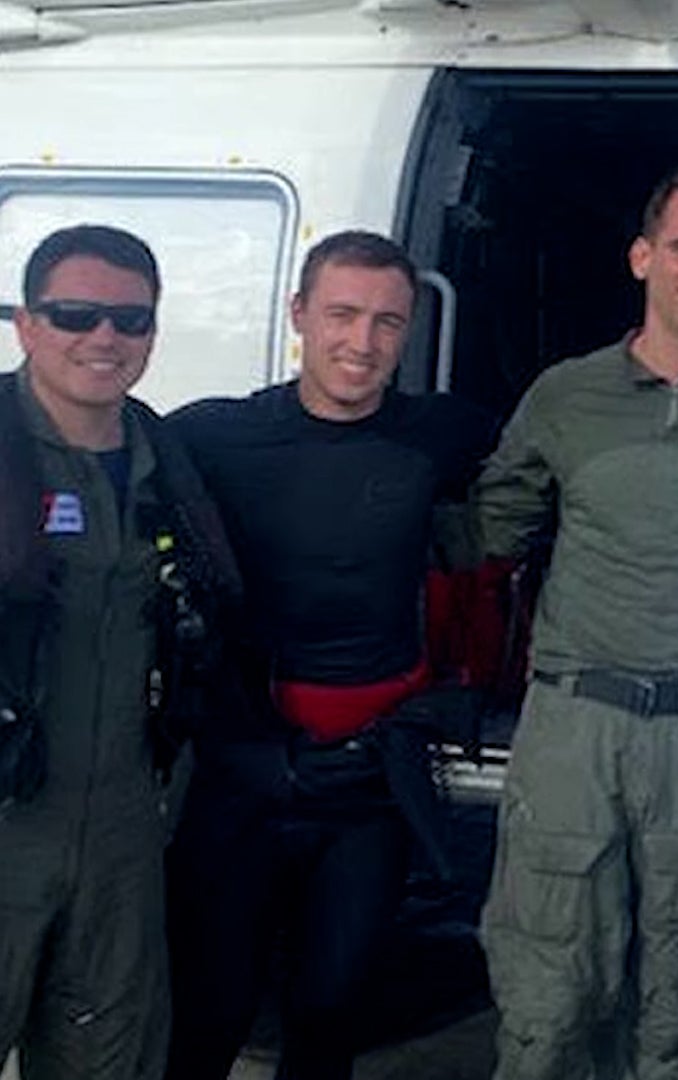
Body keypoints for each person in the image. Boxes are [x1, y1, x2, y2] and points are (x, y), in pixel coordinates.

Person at [474, 164, 678, 1080]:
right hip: (576, 723)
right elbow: (493, 528)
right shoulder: (564, 396)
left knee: (676, 988)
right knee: (545, 989)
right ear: (642, 258)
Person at [164, 230, 495, 1080]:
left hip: (368, 785)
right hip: (244, 771)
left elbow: (561, 465)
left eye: (387, 322)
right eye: (342, 314)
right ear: (299, 314)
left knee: (331, 1013)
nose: (362, 342)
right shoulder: (213, 435)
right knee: (212, 1010)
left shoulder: (441, 434)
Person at [0, 225, 239, 1080]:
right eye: (76, 314)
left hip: (121, 831)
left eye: (130, 320)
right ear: (26, 324)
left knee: (112, 1058)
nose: (104, 337)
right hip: (9, 814)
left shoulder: (166, 464)